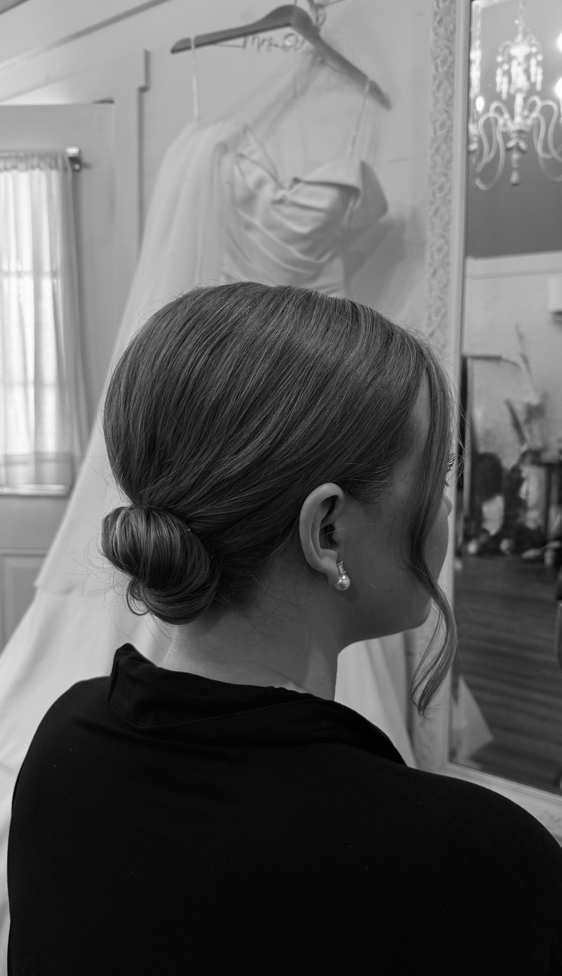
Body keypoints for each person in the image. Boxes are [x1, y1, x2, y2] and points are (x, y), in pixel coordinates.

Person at [7, 283, 562, 974]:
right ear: (327, 531)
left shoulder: (66, 742)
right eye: (436, 475)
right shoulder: (473, 864)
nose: (444, 508)